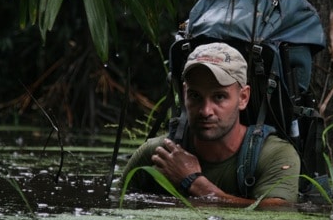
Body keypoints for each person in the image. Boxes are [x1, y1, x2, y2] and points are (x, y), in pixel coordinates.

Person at [120, 42, 300, 207]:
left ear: (243, 98)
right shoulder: (158, 155)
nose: (205, 111)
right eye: (195, 96)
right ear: (184, 94)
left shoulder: (274, 156)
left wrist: (194, 182)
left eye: (219, 97)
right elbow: (114, 204)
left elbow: (278, 212)